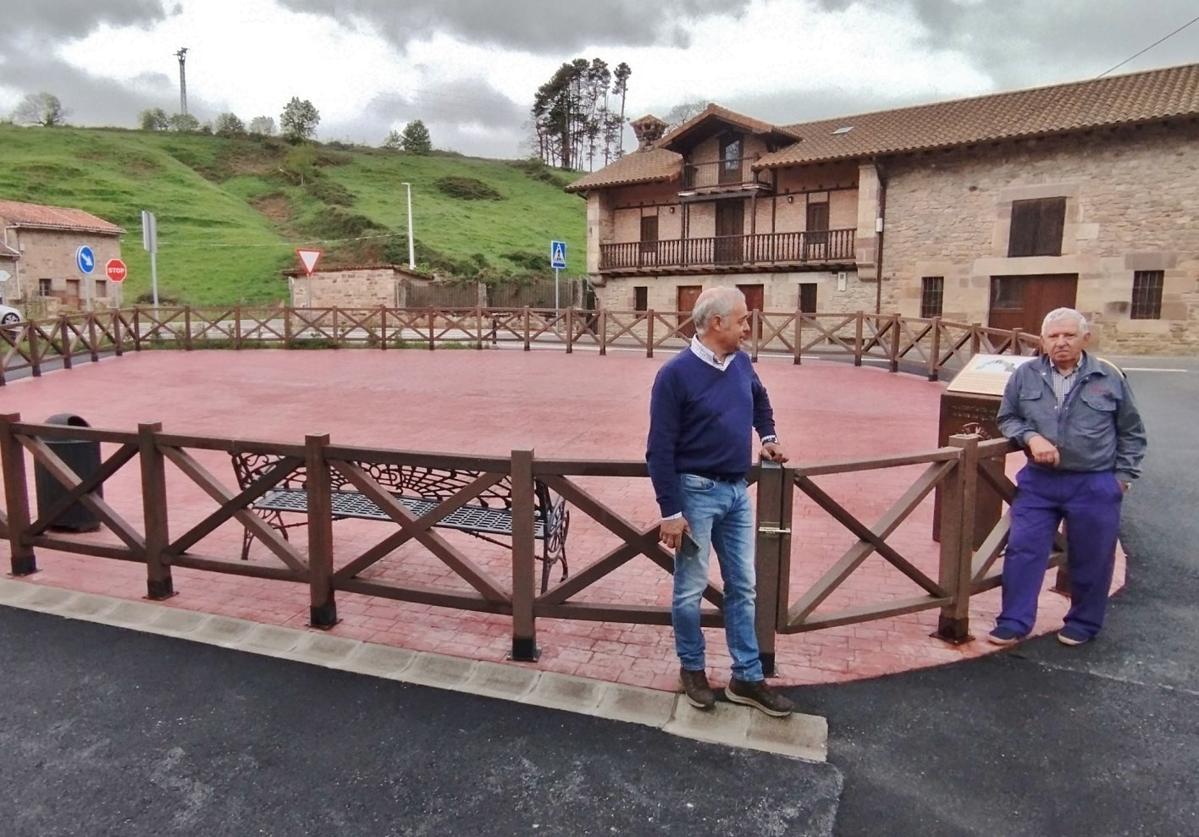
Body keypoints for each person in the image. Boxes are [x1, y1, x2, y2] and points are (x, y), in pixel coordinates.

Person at [646, 287, 795, 717]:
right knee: (690, 588)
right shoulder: (675, 374)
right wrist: (670, 512)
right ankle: (692, 669)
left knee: (743, 586)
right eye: (742, 320)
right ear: (716, 324)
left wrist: (767, 437)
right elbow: (659, 448)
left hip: (736, 493)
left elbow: (760, 400)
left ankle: (746, 676)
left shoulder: (742, 364)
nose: (748, 327)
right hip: (695, 495)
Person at [989, 307, 1147, 647]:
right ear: (1043, 340)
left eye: (1069, 335)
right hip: (1040, 481)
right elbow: (1008, 418)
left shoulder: (1108, 377)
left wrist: (1121, 478)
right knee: (1022, 550)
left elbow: (1132, 432)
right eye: (1053, 336)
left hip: (1094, 482)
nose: (1060, 343)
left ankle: (1083, 622)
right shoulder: (1025, 375)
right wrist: (1031, 437)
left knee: (1093, 555)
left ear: (1084, 339)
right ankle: (1014, 621)